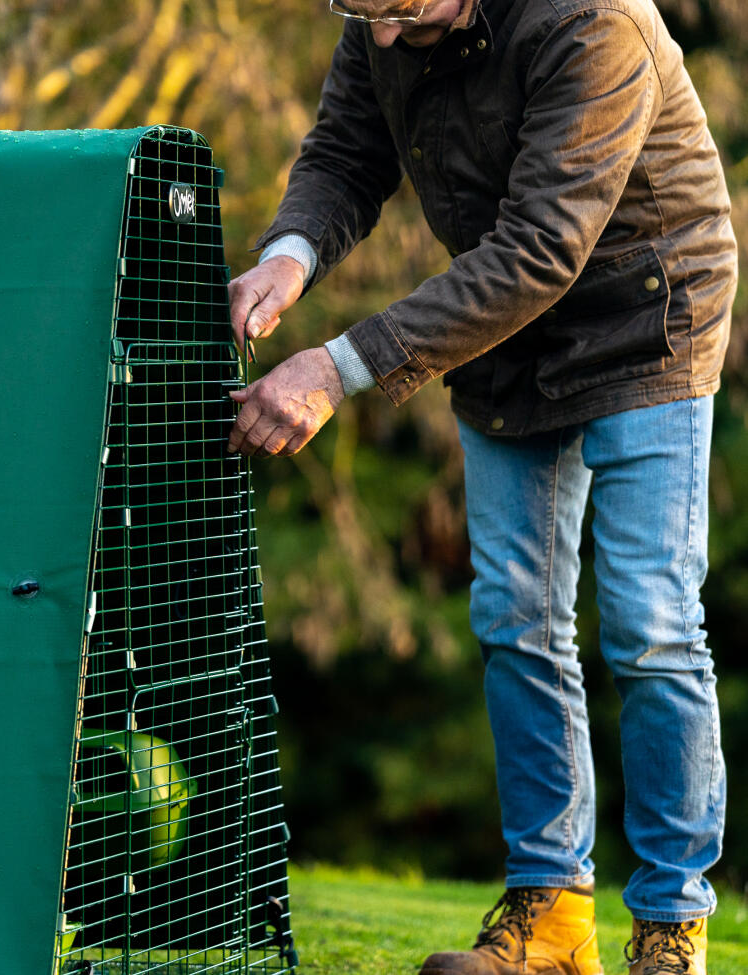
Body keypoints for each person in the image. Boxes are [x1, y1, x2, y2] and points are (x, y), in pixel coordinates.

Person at [225, 0, 736, 972]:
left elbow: (543, 247)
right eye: (358, 11)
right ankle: (549, 918)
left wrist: (335, 367)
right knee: (515, 615)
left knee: (650, 621)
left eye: (397, 10)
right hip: (505, 333)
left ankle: (672, 923)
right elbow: (345, 154)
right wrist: (285, 259)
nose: (377, 35)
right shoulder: (382, 21)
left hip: (645, 322)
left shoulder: (590, 22)